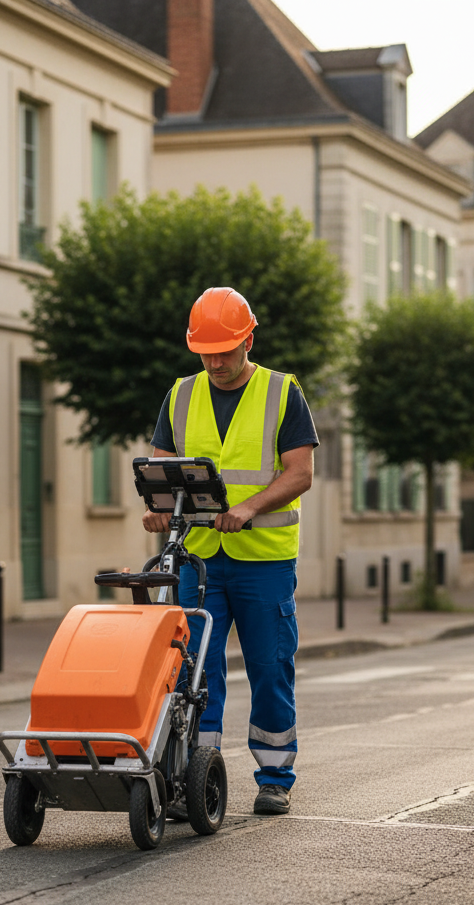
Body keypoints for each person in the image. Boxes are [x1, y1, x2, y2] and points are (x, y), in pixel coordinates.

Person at [143, 286, 318, 815]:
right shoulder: (180, 394)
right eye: (206, 351)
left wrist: (248, 508)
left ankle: (275, 775)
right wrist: (155, 506)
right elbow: (161, 467)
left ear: (248, 339)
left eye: (226, 349)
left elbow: (300, 472)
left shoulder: (282, 392)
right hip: (197, 559)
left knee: (270, 665)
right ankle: (197, 779)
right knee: (195, 669)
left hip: (263, 559)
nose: (215, 361)